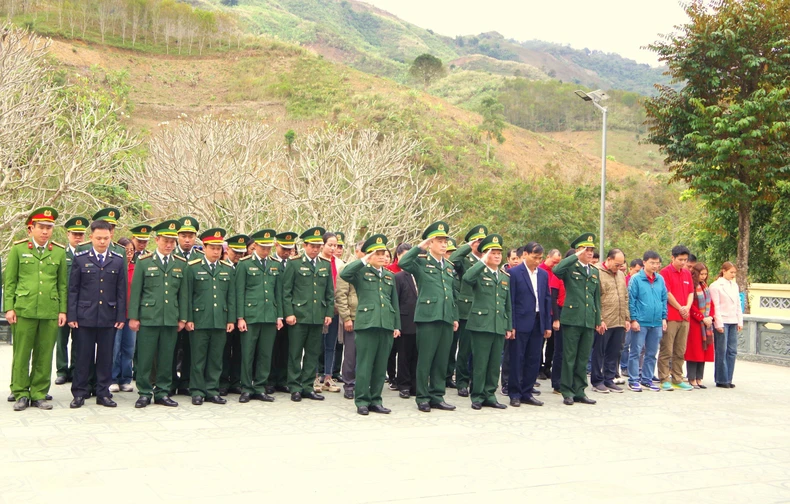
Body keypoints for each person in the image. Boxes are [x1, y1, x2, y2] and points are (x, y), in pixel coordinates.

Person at [5, 207, 68, 411]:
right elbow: (10, 281)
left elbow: (62, 284)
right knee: (22, 354)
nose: (45, 231)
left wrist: (62, 310)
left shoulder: (58, 251)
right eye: (41, 227)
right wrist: (9, 308)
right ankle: (21, 392)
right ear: (31, 228)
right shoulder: (18, 249)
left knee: (44, 354)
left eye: (49, 227)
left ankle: (39, 393)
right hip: (24, 309)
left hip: (50, 310)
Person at [398, 221, 460, 412]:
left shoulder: (448, 266)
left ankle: (437, 395)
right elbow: (403, 263)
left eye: (445, 241)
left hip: (445, 316)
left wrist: (454, 316)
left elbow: (451, 293)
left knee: (441, 360)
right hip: (427, 317)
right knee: (425, 359)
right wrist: (420, 247)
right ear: (430, 243)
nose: (444, 244)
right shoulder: (421, 262)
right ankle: (423, 397)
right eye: (439, 241)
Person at [128, 220, 189, 408]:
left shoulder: (180, 263)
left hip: (170, 317)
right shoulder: (144, 261)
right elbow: (136, 291)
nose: (169, 245)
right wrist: (134, 317)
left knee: (166, 358)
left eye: (172, 242)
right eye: (165, 241)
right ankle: (144, 392)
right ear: (157, 240)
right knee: (146, 358)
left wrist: (183, 317)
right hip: (149, 317)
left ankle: (162, 392)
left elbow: (183, 294)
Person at [68, 219, 127, 408]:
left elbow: (121, 291)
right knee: (82, 357)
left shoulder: (117, 260)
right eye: (99, 238)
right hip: (84, 316)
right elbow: (73, 289)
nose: (102, 241)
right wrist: (72, 315)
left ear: (111, 237)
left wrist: (120, 316)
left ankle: (103, 393)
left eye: (106, 238)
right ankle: (79, 392)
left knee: (105, 357)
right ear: (91, 237)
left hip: (108, 316)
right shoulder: (81, 258)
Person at [339, 234, 401, 415]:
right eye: (377, 253)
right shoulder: (361, 272)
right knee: (365, 364)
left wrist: (396, 325)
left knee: (380, 366)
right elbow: (344, 273)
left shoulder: (389, 276)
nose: (382, 257)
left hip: (386, 323)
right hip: (367, 324)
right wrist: (364, 259)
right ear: (369, 255)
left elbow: (394, 302)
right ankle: (362, 401)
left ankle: (376, 399)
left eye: (384, 253)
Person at [459, 234, 513, 409]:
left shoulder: (504, 277)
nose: (496, 256)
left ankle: (490, 394)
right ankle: (477, 396)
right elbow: (466, 279)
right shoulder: (478, 272)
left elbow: (507, 304)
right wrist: (482, 261)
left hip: (498, 324)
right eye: (492, 253)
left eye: (498, 253)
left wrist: (508, 326)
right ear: (484, 254)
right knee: (480, 363)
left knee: (494, 363)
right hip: (481, 324)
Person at [282, 227, 334, 402]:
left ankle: (307, 386)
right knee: (295, 353)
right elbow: (286, 291)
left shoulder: (325, 264)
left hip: (317, 315)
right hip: (298, 316)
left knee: (313, 353)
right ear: (305, 245)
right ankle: (294, 386)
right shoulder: (294, 263)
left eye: (318, 246)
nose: (315, 249)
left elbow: (329, 292)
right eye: (312, 246)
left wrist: (328, 312)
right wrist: (289, 313)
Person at [186, 228, 237, 405]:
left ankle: (212, 390)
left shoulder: (227, 269)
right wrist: (188, 318)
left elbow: (231, 297)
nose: (216, 252)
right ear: (204, 248)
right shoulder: (193, 268)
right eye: (212, 248)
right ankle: (197, 391)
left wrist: (231, 319)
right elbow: (187, 296)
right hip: (199, 320)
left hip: (220, 320)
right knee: (198, 358)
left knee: (216, 358)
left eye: (219, 249)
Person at [552, 234, 602, 406]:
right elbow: (556, 270)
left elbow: (596, 298)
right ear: (579, 251)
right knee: (569, 357)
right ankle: (567, 391)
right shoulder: (570, 267)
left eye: (591, 250)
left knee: (583, 357)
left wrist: (597, 319)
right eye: (586, 249)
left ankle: (580, 390)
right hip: (572, 318)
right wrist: (575, 255)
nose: (590, 252)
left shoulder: (594, 271)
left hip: (588, 319)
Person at [235, 229, 282, 403]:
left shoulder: (275, 264)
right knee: (248, 354)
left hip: (269, 315)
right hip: (250, 315)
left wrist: (279, 316)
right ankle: (246, 388)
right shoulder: (245, 264)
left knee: (265, 354)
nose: (266, 251)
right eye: (263, 247)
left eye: (269, 248)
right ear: (255, 246)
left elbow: (278, 292)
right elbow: (239, 292)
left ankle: (260, 387)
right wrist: (240, 317)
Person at [507, 241, 552, 407]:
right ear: (525, 255)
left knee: (534, 359)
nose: (538, 261)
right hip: (520, 322)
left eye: (540, 258)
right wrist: (511, 324)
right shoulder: (514, 273)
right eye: (535, 257)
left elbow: (546, 299)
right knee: (517, 358)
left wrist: (547, 325)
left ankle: (527, 392)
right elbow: (510, 300)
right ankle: (514, 393)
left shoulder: (543, 274)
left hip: (538, 321)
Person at [447, 224, 488, 398]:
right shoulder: (465, 260)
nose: (481, 244)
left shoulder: (489, 260)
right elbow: (452, 259)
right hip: (468, 309)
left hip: (485, 311)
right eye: (477, 241)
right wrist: (468, 246)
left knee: (479, 350)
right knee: (464, 349)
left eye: (483, 241)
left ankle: (476, 381)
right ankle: (462, 382)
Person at [627, 251, 668, 392]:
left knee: (651, 353)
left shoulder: (660, 279)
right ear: (644, 263)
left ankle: (647, 379)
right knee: (636, 351)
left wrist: (664, 317)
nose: (655, 266)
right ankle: (633, 380)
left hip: (656, 322)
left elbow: (663, 299)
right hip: (641, 321)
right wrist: (633, 319)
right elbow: (631, 300)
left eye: (657, 263)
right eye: (652, 263)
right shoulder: (636, 279)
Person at [55, 216, 89, 386]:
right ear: (68, 234)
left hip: (81, 304)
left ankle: (75, 369)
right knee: (61, 339)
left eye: (81, 234)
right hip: (63, 303)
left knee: (78, 339)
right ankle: (62, 370)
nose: (78, 237)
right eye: (75, 234)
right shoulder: (61, 253)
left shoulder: (87, 254)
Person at [591, 249, 630, 394]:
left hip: (619, 320)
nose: (619, 268)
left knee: (614, 352)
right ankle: (597, 381)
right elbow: (593, 298)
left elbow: (625, 297)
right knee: (599, 352)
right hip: (604, 321)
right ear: (608, 259)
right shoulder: (596, 272)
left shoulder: (620, 275)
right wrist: (599, 319)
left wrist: (626, 318)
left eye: (621, 265)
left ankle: (609, 379)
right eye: (616, 264)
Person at [657, 245, 695, 391]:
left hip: (685, 318)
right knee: (667, 349)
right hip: (671, 316)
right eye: (680, 259)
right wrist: (680, 308)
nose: (683, 262)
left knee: (680, 350)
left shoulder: (687, 273)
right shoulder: (665, 272)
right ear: (672, 258)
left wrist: (687, 307)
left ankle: (677, 378)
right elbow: (667, 293)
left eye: (685, 260)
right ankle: (664, 378)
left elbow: (691, 292)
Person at [172, 216, 201, 396]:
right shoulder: (170, 255)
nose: (187, 240)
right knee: (171, 349)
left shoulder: (200, 258)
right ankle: (170, 382)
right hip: (172, 311)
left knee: (191, 349)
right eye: (183, 236)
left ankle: (186, 382)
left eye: (191, 236)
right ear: (178, 237)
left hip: (194, 312)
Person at [219, 234, 248, 395]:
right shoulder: (222, 267)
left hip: (243, 315)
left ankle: (236, 381)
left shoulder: (244, 266)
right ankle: (223, 381)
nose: (238, 255)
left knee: (239, 350)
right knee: (224, 349)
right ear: (227, 250)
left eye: (241, 252)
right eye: (235, 252)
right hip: (225, 315)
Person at [268, 231, 297, 394]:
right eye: (284, 248)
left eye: (289, 249)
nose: (287, 252)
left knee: (287, 348)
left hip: (291, 313)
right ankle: (270, 380)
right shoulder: (271, 263)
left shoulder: (293, 264)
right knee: (272, 348)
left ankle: (283, 379)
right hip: (274, 311)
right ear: (276, 245)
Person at [336, 240, 364, 400]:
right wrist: (346, 318)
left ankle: (362, 383)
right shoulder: (347, 269)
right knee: (351, 354)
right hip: (352, 317)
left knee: (364, 354)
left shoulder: (370, 270)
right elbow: (341, 295)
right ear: (357, 252)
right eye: (364, 251)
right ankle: (349, 384)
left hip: (368, 317)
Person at [315, 232, 342, 394]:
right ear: (322, 245)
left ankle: (328, 377)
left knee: (331, 344)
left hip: (334, 308)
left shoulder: (340, 264)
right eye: (330, 245)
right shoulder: (316, 261)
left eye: (335, 245)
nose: (333, 248)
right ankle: (314, 376)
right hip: (318, 308)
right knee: (316, 344)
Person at [709, 262, 743, 388]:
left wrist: (740, 321)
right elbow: (716, 306)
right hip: (722, 320)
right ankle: (721, 379)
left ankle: (729, 378)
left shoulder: (734, 285)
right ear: (724, 271)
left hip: (733, 320)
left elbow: (738, 304)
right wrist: (718, 323)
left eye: (734, 273)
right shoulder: (716, 286)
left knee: (732, 351)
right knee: (721, 350)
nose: (733, 275)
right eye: (731, 272)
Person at [110, 237, 137, 393]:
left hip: (131, 314)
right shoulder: (115, 267)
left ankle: (125, 378)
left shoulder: (136, 268)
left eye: (131, 251)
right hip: (116, 314)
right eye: (126, 251)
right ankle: (112, 378)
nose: (129, 254)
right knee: (115, 347)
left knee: (129, 348)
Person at [685, 262, 715, 389]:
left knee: (703, 350)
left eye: (705, 274)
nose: (703, 276)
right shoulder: (692, 287)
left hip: (706, 324)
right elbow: (691, 306)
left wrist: (710, 317)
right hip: (695, 324)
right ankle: (691, 378)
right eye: (701, 274)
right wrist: (702, 317)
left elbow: (711, 304)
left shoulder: (705, 287)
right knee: (694, 351)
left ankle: (699, 378)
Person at [394, 243, 418, 399]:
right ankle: (403, 385)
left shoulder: (421, 275)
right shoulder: (399, 277)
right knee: (403, 355)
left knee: (417, 355)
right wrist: (396, 324)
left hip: (420, 322)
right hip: (405, 321)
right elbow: (395, 301)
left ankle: (415, 385)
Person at [538, 249, 562, 381]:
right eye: (554, 262)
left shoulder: (557, 272)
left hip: (554, 311)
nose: (555, 265)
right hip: (542, 310)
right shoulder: (540, 270)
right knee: (540, 341)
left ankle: (547, 366)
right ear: (547, 257)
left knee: (552, 342)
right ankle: (538, 368)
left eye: (558, 263)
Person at [620, 258, 644, 378]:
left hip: (640, 316)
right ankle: (624, 367)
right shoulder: (624, 280)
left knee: (641, 346)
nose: (639, 273)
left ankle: (639, 369)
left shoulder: (642, 281)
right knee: (625, 344)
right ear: (631, 269)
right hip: (627, 316)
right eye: (637, 270)